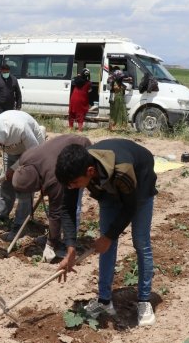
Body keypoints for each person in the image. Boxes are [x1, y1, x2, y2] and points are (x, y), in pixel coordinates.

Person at [54, 139, 157, 326]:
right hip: (108, 191)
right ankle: (104, 301)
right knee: (105, 246)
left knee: (141, 242)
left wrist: (110, 236)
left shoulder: (123, 170)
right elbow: (67, 208)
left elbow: (130, 207)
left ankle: (144, 300)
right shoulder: (73, 172)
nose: (72, 187)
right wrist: (70, 248)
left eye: (75, 183)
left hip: (139, 186)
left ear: (90, 172)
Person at [11, 134, 91, 261]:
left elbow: (56, 212)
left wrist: (50, 244)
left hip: (80, 150)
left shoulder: (55, 180)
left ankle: (67, 243)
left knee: (72, 205)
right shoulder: (25, 158)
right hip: (64, 144)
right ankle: (56, 236)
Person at [0, 110, 45, 238]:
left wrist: (14, 168)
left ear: (1, 137)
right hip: (12, 150)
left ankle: (20, 225)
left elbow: (34, 151)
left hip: (33, 148)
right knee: (5, 182)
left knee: (24, 186)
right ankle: (2, 215)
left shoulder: (20, 128)